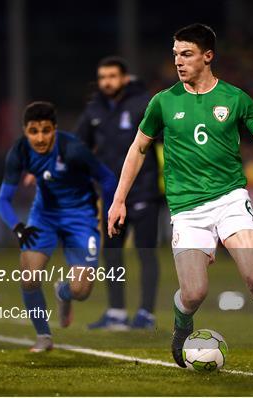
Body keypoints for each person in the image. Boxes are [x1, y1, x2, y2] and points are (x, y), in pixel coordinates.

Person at [107, 23, 253, 371]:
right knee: (194, 293)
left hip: (230, 199)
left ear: (207, 56)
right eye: (175, 55)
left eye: (186, 54)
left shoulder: (234, 98)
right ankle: (182, 324)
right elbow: (137, 149)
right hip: (186, 209)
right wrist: (118, 199)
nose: (178, 62)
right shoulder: (163, 103)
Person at [0, 101, 116, 352]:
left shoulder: (73, 149)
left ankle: (64, 291)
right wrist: (18, 227)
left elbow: (107, 178)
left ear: (55, 129)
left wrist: (108, 215)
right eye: (33, 131)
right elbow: (3, 200)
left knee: (81, 290)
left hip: (81, 217)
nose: (40, 138)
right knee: (29, 275)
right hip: (45, 216)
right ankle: (43, 336)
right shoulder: (19, 152)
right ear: (24, 131)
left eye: (46, 130)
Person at [75, 56, 160, 330]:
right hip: (111, 195)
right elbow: (79, 146)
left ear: (124, 78)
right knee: (112, 253)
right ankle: (117, 313)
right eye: (102, 77)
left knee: (146, 253)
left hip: (143, 191)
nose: (106, 82)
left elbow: (165, 139)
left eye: (112, 76)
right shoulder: (94, 110)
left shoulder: (143, 103)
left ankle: (146, 313)